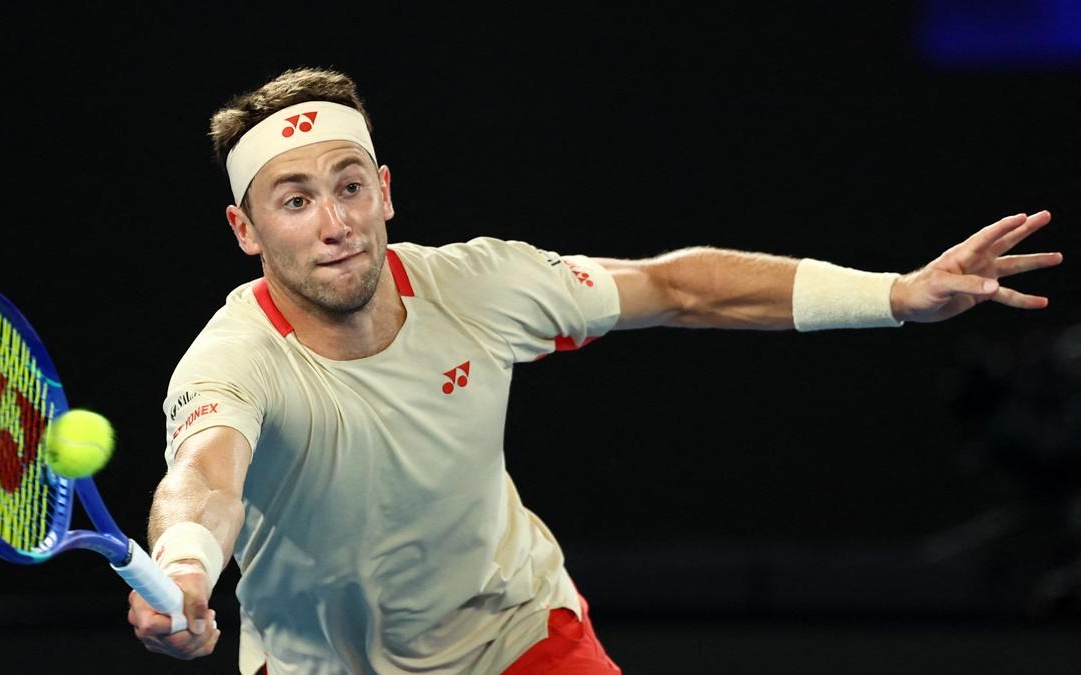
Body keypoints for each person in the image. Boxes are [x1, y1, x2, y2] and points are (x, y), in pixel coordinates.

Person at [126, 67, 1062, 674]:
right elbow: (205, 476)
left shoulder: (480, 286)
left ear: (386, 192)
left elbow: (679, 287)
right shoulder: (233, 359)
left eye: (349, 185)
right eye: (295, 200)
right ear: (247, 232)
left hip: (514, 632)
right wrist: (184, 565)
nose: (334, 222)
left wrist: (898, 293)